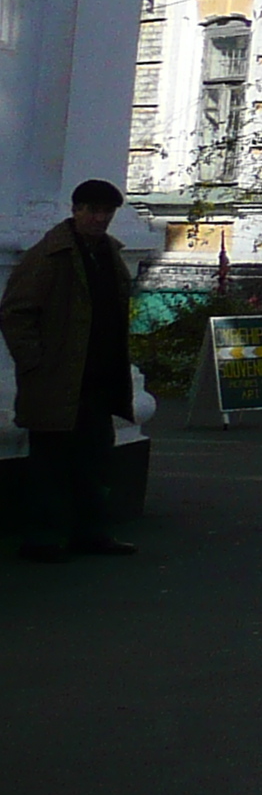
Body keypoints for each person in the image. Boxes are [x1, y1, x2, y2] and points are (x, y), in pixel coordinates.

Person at [2, 178, 140, 560]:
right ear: (76, 210)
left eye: (106, 212)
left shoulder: (108, 254)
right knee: (50, 460)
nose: (100, 219)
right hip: (57, 377)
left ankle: (90, 532)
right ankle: (42, 538)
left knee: (93, 458)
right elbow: (15, 313)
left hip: (97, 375)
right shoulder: (49, 255)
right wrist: (35, 363)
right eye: (93, 210)